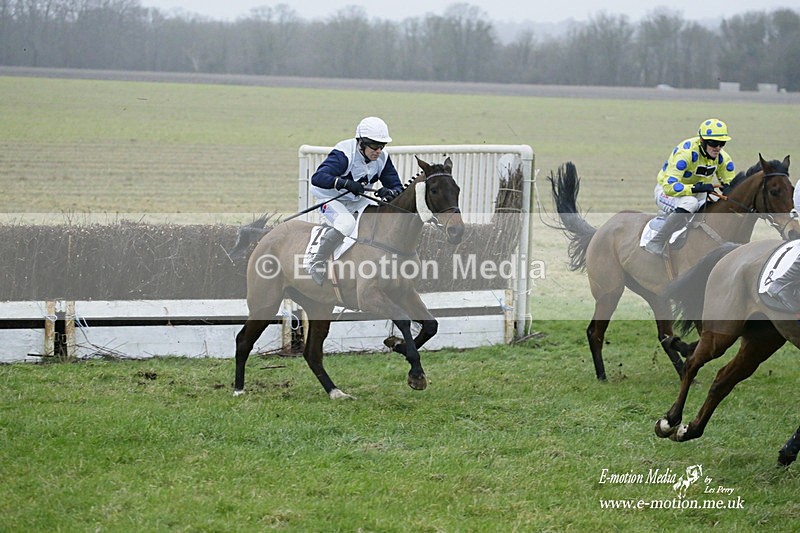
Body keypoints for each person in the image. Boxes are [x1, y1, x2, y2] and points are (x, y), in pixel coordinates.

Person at [306, 116, 403, 285]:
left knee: (379, 216)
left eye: (382, 145)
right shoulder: (344, 154)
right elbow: (318, 178)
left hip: (355, 199)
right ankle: (316, 262)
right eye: (374, 145)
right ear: (361, 142)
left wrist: (389, 192)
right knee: (346, 223)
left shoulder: (382, 158)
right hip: (328, 198)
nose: (378, 150)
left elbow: (397, 187)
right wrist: (344, 183)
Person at [645, 118, 736, 257]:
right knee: (690, 203)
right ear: (702, 140)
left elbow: (730, 183)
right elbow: (670, 186)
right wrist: (695, 188)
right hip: (667, 192)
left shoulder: (723, 159)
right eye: (713, 143)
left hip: (698, 193)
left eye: (721, 143)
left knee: (714, 203)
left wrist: (729, 190)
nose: (718, 147)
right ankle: (656, 241)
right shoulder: (685, 153)